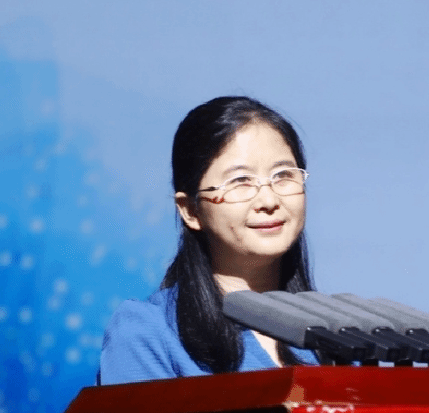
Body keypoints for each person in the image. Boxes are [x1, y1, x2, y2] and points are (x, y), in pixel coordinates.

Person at [98, 97, 319, 385]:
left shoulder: (335, 337)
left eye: (283, 176)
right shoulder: (149, 333)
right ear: (191, 210)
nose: (269, 200)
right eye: (241, 181)